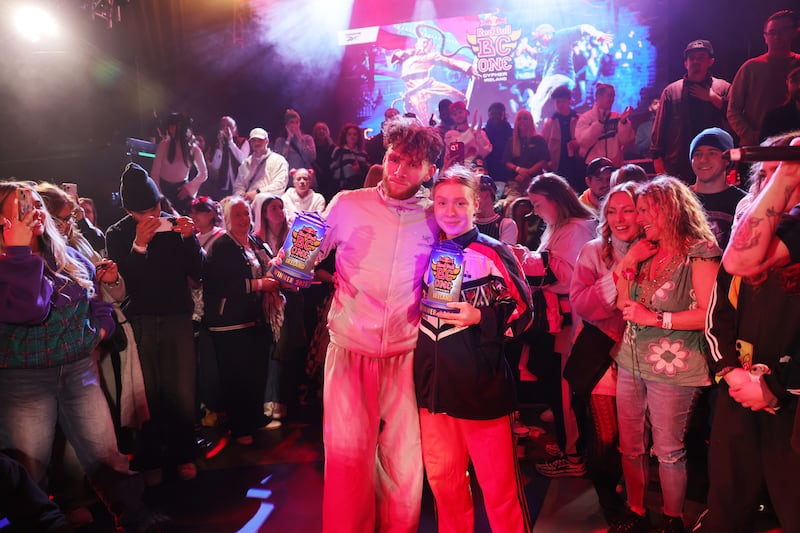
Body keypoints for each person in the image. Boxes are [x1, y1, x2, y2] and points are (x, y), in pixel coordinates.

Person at [0, 182, 157, 532]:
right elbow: (29, 310)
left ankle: (136, 520)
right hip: (25, 379)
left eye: (37, 204)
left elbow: (95, 297)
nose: (35, 212)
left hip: (78, 370)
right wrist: (19, 252)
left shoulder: (63, 254)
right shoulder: (8, 262)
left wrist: (99, 332)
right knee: (28, 473)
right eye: (21, 207)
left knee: (107, 458)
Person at [319, 117, 443, 533]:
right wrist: (288, 262)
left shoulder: (434, 216)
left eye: (412, 164)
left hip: (407, 354)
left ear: (429, 171)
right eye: (394, 159)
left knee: (405, 462)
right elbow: (305, 253)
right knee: (347, 457)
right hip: (350, 347)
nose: (398, 170)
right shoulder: (348, 203)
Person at [413, 166, 533, 532]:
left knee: (499, 490)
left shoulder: (493, 252)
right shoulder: (422, 251)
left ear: (478, 202)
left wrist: (480, 317)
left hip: (483, 391)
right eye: (442, 202)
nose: (450, 211)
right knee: (445, 487)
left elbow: (526, 313)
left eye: (459, 202)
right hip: (433, 394)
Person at [697, 132, 800, 533]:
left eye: (788, 177)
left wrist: (778, 390)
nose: (779, 186)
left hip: (789, 403)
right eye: (768, 178)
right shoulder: (749, 241)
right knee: (726, 502)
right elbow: (717, 315)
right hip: (740, 391)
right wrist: (729, 371)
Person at [611, 176, 720, 533]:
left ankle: (673, 519)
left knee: (668, 450)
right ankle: (636, 508)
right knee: (630, 446)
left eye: (646, 210)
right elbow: (623, 302)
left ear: (670, 208)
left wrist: (657, 318)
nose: (640, 217)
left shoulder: (699, 250)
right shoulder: (645, 249)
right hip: (632, 360)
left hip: (676, 367)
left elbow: (709, 313)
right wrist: (629, 259)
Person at [105, 162, 204, 485]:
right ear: (128, 209)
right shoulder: (118, 233)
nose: (153, 215)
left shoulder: (175, 224)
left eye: (156, 207)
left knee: (182, 391)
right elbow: (125, 285)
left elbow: (199, 271)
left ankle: (184, 454)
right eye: (144, 211)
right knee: (148, 393)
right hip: (142, 318)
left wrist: (191, 239)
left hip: (177, 315)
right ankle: (152, 457)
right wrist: (139, 245)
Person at [569, 181, 642, 526]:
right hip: (604, 354)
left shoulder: (661, 249)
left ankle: (636, 501)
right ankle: (609, 501)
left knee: (638, 438)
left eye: (627, 209)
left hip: (650, 357)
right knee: (607, 436)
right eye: (611, 211)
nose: (619, 218)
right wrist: (620, 270)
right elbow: (582, 304)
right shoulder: (593, 251)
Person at [515, 173, 597, 477]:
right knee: (561, 388)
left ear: (556, 199)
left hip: (571, 321)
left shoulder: (575, 230)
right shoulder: (566, 227)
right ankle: (569, 447)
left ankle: (573, 454)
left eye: (538, 204)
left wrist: (524, 260)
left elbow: (562, 276)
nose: (535, 211)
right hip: (565, 320)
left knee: (565, 390)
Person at [203, 197, 281, 445]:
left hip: (255, 319)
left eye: (246, 214)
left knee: (256, 372)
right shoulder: (222, 246)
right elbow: (220, 285)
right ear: (227, 218)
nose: (244, 219)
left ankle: (255, 417)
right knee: (236, 377)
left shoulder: (256, 241)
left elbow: (269, 266)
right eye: (237, 215)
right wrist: (260, 284)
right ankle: (239, 427)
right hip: (229, 323)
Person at [253, 194, 304, 427]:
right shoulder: (256, 240)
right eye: (273, 207)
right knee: (274, 350)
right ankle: (271, 402)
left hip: (291, 299)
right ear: (264, 213)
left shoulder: (292, 238)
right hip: (268, 302)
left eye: (281, 207)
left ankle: (285, 400)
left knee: (288, 349)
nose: (279, 211)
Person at [650, 40, 731, 184]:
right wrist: (657, 160)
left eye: (701, 58)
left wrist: (712, 98)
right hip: (679, 167)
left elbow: (734, 119)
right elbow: (660, 128)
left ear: (710, 62)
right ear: (685, 63)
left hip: (714, 164)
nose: (695, 62)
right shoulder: (671, 91)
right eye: (691, 58)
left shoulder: (723, 88)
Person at [727, 10, 800, 146]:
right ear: (765, 37)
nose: (777, 36)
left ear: (794, 32)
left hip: (794, 145)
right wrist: (752, 135)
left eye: (783, 31)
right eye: (772, 32)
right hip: (756, 147)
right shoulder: (751, 67)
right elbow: (733, 110)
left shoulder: (798, 64)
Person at [529, 23, 613, 128]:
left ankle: (532, 131)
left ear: (546, 35)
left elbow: (583, 28)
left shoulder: (561, 35)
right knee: (555, 109)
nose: (539, 42)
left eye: (539, 39)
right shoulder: (548, 48)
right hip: (567, 79)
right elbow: (538, 57)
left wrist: (596, 34)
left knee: (536, 103)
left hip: (556, 76)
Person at [689, 128, 746, 249]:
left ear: (726, 160)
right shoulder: (678, 199)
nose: (703, 159)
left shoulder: (744, 202)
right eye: (697, 154)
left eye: (712, 153)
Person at [150, 112, 208, 214]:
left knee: (187, 219)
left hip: (181, 190)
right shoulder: (164, 145)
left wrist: (189, 187)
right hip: (163, 188)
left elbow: (204, 174)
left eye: (174, 125)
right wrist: (159, 195)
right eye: (170, 126)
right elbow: (155, 174)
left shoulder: (193, 149)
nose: (171, 129)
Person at [576, 83, 635, 168]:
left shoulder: (617, 117)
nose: (612, 99)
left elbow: (626, 141)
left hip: (615, 165)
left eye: (613, 96)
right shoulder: (586, 118)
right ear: (599, 96)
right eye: (609, 96)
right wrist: (599, 124)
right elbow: (583, 142)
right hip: (594, 167)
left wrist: (623, 123)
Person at [540, 85, 584, 192]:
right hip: (557, 165)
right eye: (557, 101)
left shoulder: (579, 119)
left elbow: (587, 140)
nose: (560, 104)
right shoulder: (549, 123)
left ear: (569, 101)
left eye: (563, 101)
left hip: (578, 164)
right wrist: (547, 163)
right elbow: (543, 146)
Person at [232, 128, 289, 202]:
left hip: (269, 204)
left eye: (260, 140)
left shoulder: (279, 160)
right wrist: (241, 197)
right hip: (248, 205)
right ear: (250, 142)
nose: (256, 142)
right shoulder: (245, 163)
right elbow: (238, 186)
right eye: (253, 140)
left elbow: (280, 184)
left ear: (267, 141)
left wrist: (257, 193)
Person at [502, 109, 550, 191]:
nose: (522, 121)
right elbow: (507, 161)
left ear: (530, 121)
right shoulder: (512, 141)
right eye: (519, 119)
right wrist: (519, 170)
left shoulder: (539, 140)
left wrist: (527, 173)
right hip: (515, 181)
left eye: (525, 118)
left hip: (535, 182)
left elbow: (543, 160)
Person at [207, 115, 250, 199]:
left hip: (240, 187)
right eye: (223, 126)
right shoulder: (217, 145)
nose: (226, 128)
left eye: (229, 125)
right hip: (222, 188)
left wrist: (230, 141)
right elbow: (215, 166)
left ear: (235, 128)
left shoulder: (243, 142)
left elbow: (243, 160)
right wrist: (220, 146)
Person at [444, 101, 493, 170]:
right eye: (455, 114)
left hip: (475, 172)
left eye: (460, 112)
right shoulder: (451, 134)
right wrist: (471, 128)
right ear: (452, 117)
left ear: (467, 112)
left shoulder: (479, 133)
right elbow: (457, 147)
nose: (458, 116)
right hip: (455, 173)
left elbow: (485, 151)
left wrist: (478, 136)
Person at [475, 174, 518, 244]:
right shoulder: (466, 223)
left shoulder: (506, 224)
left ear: (488, 193)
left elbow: (504, 253)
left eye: (475, 191)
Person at [760, 65, 800, 140]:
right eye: (794, 80)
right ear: (787, 83)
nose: (799, 86)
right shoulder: (774, 118)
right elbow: (764, 146)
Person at [329, 123, 369, 193]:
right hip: (343, 187)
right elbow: (332, 168)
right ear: (345, 136)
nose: (352, 136)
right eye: (349, 134)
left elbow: (367, 172)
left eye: (355, 134)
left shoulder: (363, 153)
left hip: (359, 187)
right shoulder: (339, 150)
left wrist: (360, 169)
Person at [483, 102, 514, 183]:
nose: (495, 116)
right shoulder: (483, 132)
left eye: (497, 113)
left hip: (507, 172)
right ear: (489, 115)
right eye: (492, 113)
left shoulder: (511, 132)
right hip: (488, 170)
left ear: (503, 114)